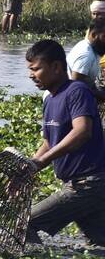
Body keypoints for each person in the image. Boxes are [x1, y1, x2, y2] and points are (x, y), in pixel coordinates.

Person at [23, 39, 105, 247]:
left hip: (88, 184)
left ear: (57, 67)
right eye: (30, 69)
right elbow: (49, 142)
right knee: (100, 243)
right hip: (80, 184)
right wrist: (27, 170)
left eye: (36, 69)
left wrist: (41, 162)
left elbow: (82, 131)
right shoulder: (50, 100)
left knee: (24, 224)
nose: (31, 75)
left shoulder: (77, 91)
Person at [66, 14, 105, 103]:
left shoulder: (93, 48)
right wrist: (101, 95)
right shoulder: (86, 54)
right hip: (69, 100)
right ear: (94, 35)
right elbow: (75, 87)